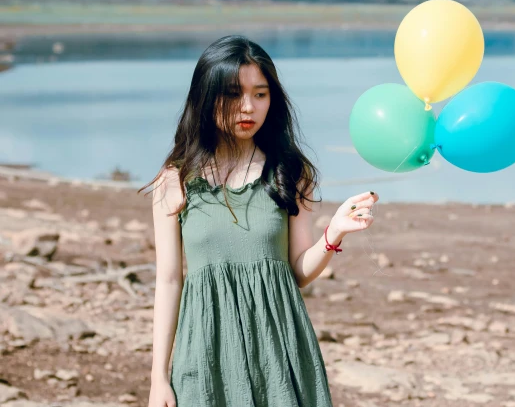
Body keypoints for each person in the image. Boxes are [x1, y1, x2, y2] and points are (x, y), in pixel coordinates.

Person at [140, 35, 379, 406]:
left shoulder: (290, 172)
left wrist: (333, 233)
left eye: (260, 94)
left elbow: (298, 270)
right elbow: (169, 280)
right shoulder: (175, 179)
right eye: (233, 94)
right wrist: (159, 378)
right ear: (206, 96)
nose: (247, 107)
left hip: (279, 348)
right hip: (205, 351)